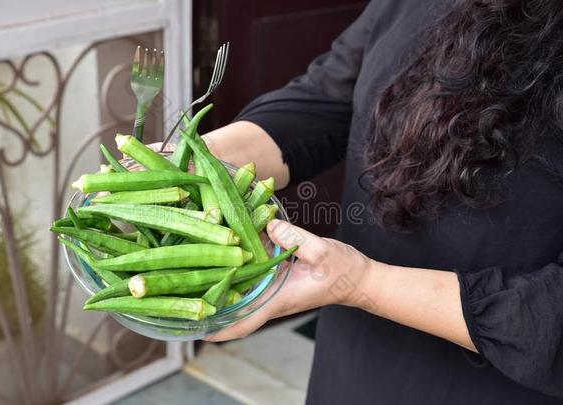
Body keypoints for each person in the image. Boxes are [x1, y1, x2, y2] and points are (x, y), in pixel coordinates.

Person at [158, 0, 563, 403]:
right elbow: (328, 96)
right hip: (355, 354)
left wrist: (362, 283)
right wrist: (194, 163)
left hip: (493, 381)